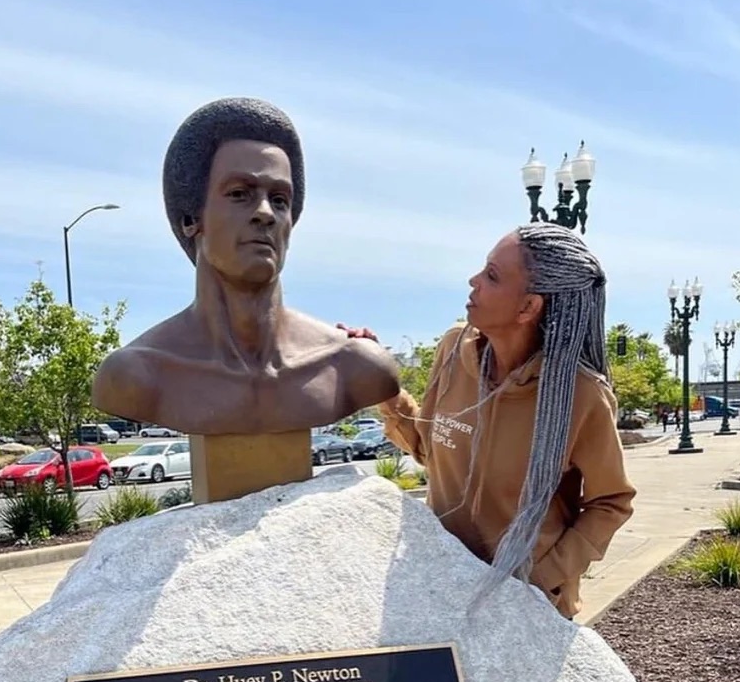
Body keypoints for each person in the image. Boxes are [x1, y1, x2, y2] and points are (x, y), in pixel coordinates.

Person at [352, 223, 635, 619]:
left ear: (527, 307)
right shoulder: (453, 349)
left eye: (492, 275)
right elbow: (426, 447)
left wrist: (539, 578)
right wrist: (384, 388)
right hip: (443, 589)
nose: (473, 281)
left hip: (529, 608)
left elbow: (611, 502)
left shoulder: (581, 395)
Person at [92, 97, 400, 435]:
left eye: (280, 200)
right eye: (240, 193)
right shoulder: (137, 375)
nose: (266, 213)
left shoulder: (353, 366)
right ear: (190, 219)